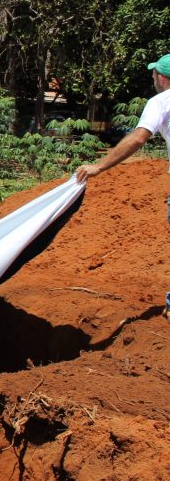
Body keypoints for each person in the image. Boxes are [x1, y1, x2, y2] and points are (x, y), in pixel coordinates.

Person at [76, 54, 170, 320]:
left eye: (154, 74)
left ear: (162, 78)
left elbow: (139, 138)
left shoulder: (161, 101)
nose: (153, 79)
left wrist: (99, 166)